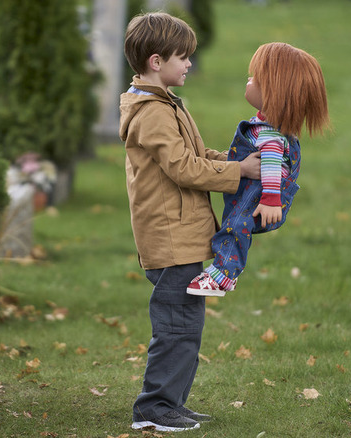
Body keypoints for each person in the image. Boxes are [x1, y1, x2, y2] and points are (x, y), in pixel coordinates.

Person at [119, 12, 262, 432]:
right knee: (176, 326)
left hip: (181, 233)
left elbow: (197, 155)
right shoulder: (153, 113)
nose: (189, 64)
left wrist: (237, 161)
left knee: (186, 325)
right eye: (184, 57)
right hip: (168, 236)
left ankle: (171, 402)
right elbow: (183, 169)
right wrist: (240, 173)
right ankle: (153, 408)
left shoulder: (165, 104)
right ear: (157, 61)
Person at [187, 42, 330, 297]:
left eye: (256, 79)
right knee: (235, 225)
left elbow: (273, 167)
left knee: (235, 226)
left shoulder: (271, 137)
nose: (249, 80)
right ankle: (225, 271)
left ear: (274, 92)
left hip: (259, 196)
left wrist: (271, 200)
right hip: (256, 192)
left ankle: (222, 275)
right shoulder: (267, 127)